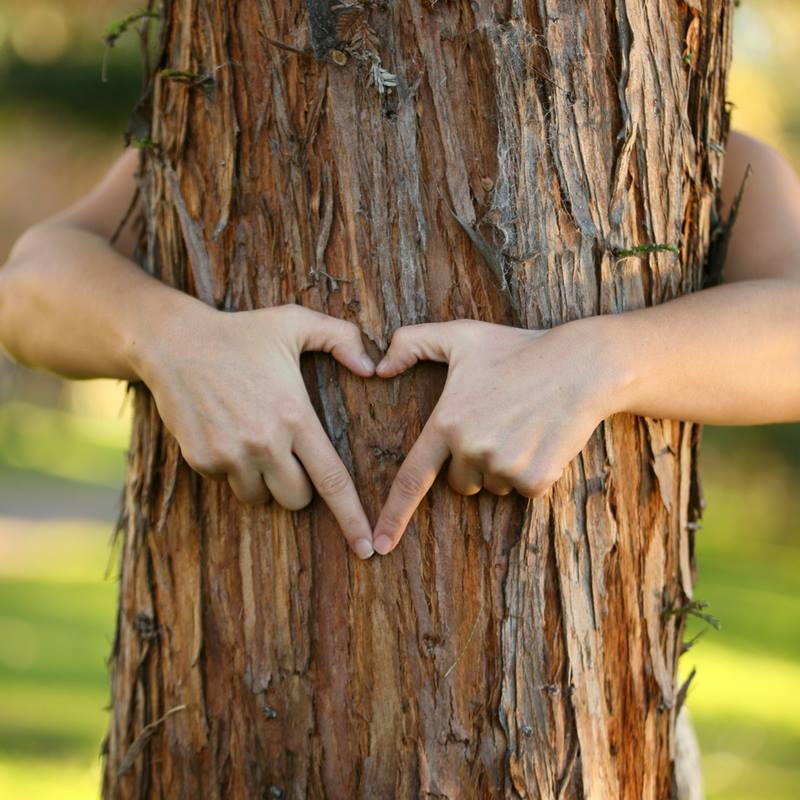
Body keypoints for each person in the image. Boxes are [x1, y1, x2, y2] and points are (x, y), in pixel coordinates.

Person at [0, 131, 798, 563]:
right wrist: (169, 339)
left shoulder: (709, 158)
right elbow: (28, 283)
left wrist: (595, 361)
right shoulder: (210, 125)